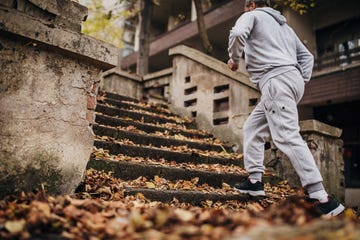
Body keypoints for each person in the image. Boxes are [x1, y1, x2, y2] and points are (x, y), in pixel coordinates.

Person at [227, 0, 345, 216]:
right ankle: (254, 182)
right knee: (252, 128)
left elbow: (237, 34)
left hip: (275, 81)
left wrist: (234, 59)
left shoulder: (252, 15)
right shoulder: (285, 27)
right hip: (288, 81)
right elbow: (307, 58)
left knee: (286, 136)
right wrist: (298, 78)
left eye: (245, 7)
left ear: (251, 4)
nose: (244, 11)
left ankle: (322, 197)